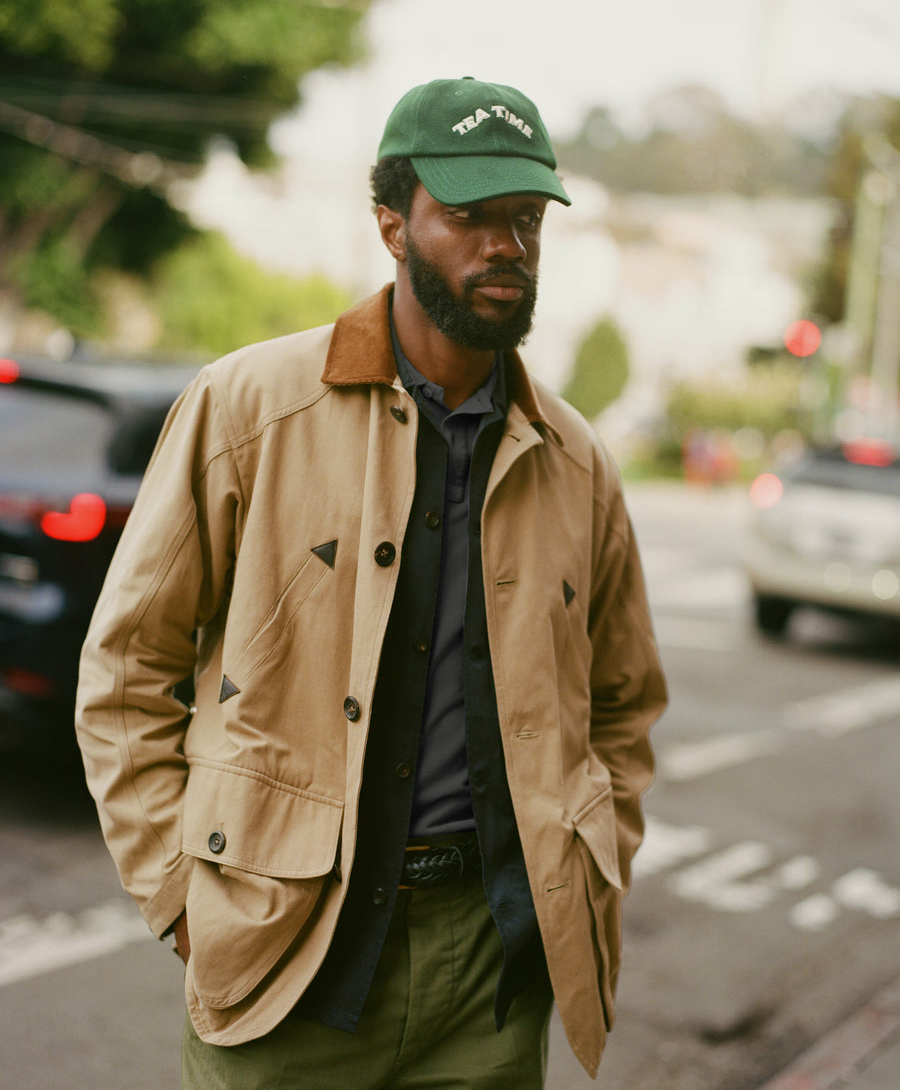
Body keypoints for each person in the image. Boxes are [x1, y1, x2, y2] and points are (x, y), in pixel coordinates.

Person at [75, 77, 667, 1089]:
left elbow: (622, 706)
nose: (506, 246)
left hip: (490, 966)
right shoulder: (249, 406)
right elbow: (129, 667)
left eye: (525, 219)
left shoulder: (576, 460)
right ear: (393, 225)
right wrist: (180, 893)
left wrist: (587, 858)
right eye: (470, 216)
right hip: (285, 952)